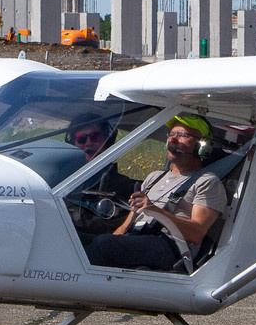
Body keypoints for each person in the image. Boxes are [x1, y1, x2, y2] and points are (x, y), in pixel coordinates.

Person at [81, 115, 227, 272]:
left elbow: (196, 234)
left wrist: (155, 211)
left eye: (182, 135)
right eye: (171, 134)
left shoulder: (207, 182)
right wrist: (110, 242)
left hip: (170, 248)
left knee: (103, 244)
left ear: (202, 146)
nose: (173, 140)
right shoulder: (155, 177)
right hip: (137, 239)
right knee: (79, 242)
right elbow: (125, 225)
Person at [66, 114, 137, 234]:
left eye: (95, 137)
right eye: (81, 138)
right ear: (74, 143)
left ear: (107, 141)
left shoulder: (126, 187)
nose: (88, 143)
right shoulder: (62, 182)